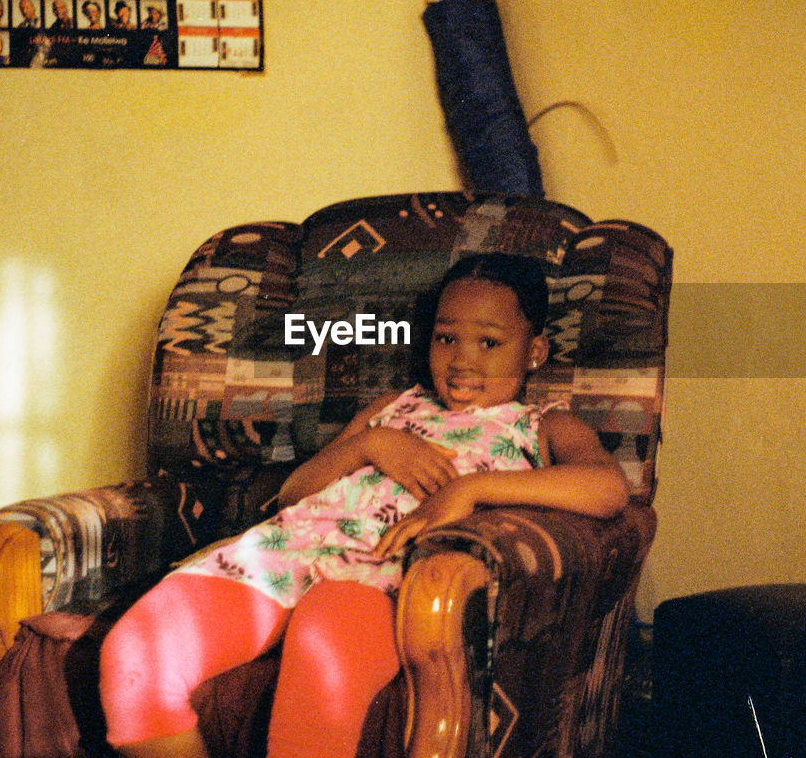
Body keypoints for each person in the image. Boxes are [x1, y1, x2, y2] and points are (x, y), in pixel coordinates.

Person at [98, 253, 629, 758]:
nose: (462, 360)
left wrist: (469, 490)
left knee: (321, 653)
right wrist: (368, 445)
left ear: (534, 351)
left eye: (489, 342)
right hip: (287, 551)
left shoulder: (540, 424)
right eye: (446, 337)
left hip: (380, 576)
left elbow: (609, 490)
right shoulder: (392, 408)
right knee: (132, 656)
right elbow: (293, 493)